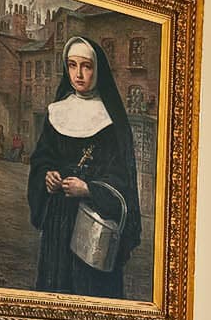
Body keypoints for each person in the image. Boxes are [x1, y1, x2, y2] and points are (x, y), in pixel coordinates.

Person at [26, 35, 142, 299]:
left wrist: (89, 189)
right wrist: (48, 176)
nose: (78, 74)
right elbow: (43, 158)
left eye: (86, 66)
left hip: (94, 219)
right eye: (72, 65)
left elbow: (122, 179)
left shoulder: (112, 121)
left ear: (97, 69)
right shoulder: (57, 111)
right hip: (58, 218)